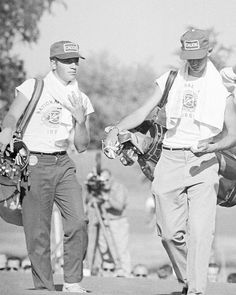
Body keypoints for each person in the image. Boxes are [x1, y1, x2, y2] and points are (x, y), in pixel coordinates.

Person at [104, 29, 236, 295]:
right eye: (190, 56)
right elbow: (143, 111)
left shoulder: (223, 87)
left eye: (200, 55)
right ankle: (188, 279)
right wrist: (116, 131)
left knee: (200, 233)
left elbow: (232, 133)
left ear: (208, 51)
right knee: (168, 234)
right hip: (170, 159)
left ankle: (197, 290)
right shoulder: (170, 79)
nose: (195, 61)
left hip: (204, 161)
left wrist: (214, 146)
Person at [0, 40, 94, 293]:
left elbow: (82, 146)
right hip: (33, 162)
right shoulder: (34, 86)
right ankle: (44, 287)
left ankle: (72, 281)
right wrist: (7, 133)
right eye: (66, 61)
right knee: (37, 229)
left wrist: (80, 121)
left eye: (75, 60)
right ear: (53, 63)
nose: (73, 65)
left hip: (63, 162)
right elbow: (12, 115)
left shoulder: (80, 97)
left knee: (78, 221)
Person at [85, 169, 131, 277]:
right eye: (102, 181)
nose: (104, 183)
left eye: (106, 180)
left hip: (117, 221)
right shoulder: (100, 189)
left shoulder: (119, 188)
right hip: (103, 221)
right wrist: (90, 187)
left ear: (111, 178)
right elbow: (88, 202)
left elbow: (119, 207)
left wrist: (107, 198)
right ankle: (107, 271)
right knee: (103, 249)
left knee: (121, 248)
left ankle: (125, 272)